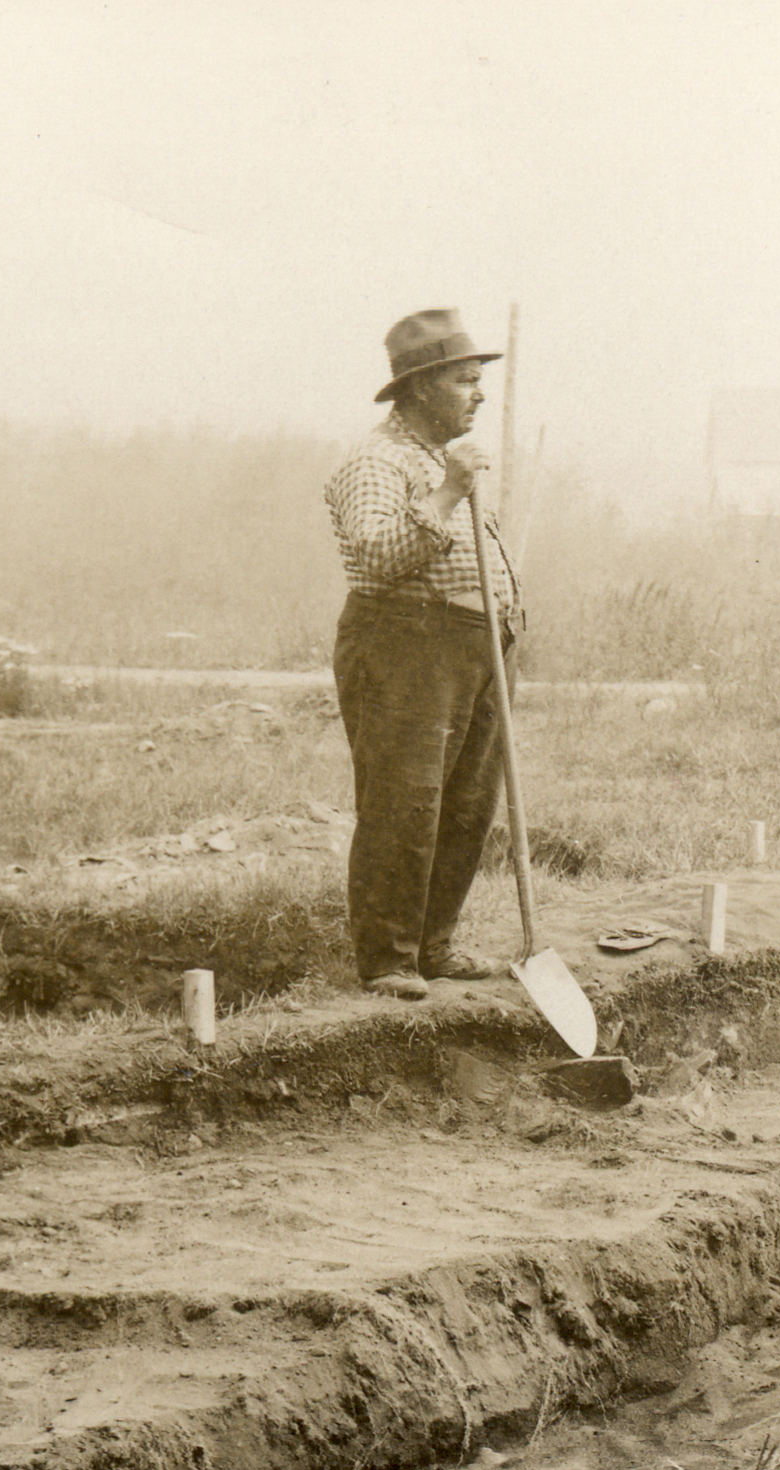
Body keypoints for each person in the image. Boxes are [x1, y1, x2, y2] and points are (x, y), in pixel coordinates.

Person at [323, 308, 523, 1000]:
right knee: (405, 801)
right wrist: (446, 494)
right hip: (405, 644)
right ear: (421, 388)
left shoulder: (440, 457)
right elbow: (374, 560)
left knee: (468, 803)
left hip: (472, 648)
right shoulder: (376, 460)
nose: (479, 395)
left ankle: (434, 945)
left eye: (479, 381)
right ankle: (387, 959)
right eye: (466, 381)